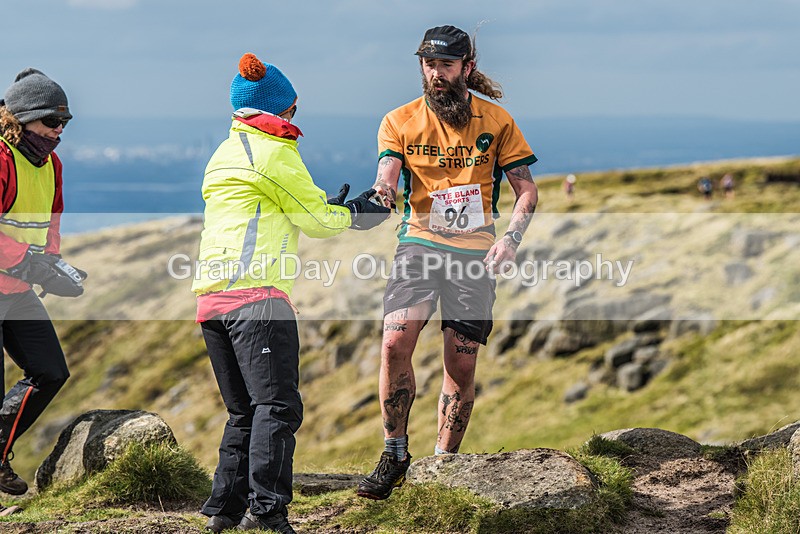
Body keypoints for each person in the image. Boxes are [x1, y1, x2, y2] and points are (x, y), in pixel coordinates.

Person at [192, 53, 390, 533]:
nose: (294, 118)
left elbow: (276, 203)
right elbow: (316, 222)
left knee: (244, 412)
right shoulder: (275, 151)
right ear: (277, 109)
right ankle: (267, 512)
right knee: (278, 407)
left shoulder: (226, 152)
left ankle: (224, 512)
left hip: (211, 301)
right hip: (256, 298)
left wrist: (324, 202)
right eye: (293, 109)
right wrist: (359, 212)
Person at [356, 25, 538, 500]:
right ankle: (394, 455)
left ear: (466, 68)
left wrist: (511, 240)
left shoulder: (496, 121)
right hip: (419, 245)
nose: (436, 74)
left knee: (460, 364)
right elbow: (386, 179)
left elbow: (526, 190)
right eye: (429, 65)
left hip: (475, 256)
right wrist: (375, 199)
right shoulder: (399, 120)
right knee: (395, 343)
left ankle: (443, 467)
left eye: (446, 65)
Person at [0, 69, 86, 498]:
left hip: (15, 292)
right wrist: (29, 264)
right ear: (21, 119)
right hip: (12, 280)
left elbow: (50, 221)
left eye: (64, 124)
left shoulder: (50, 162)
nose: (58, 132)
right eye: (52, 122)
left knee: (50, 371)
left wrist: (52, 266)